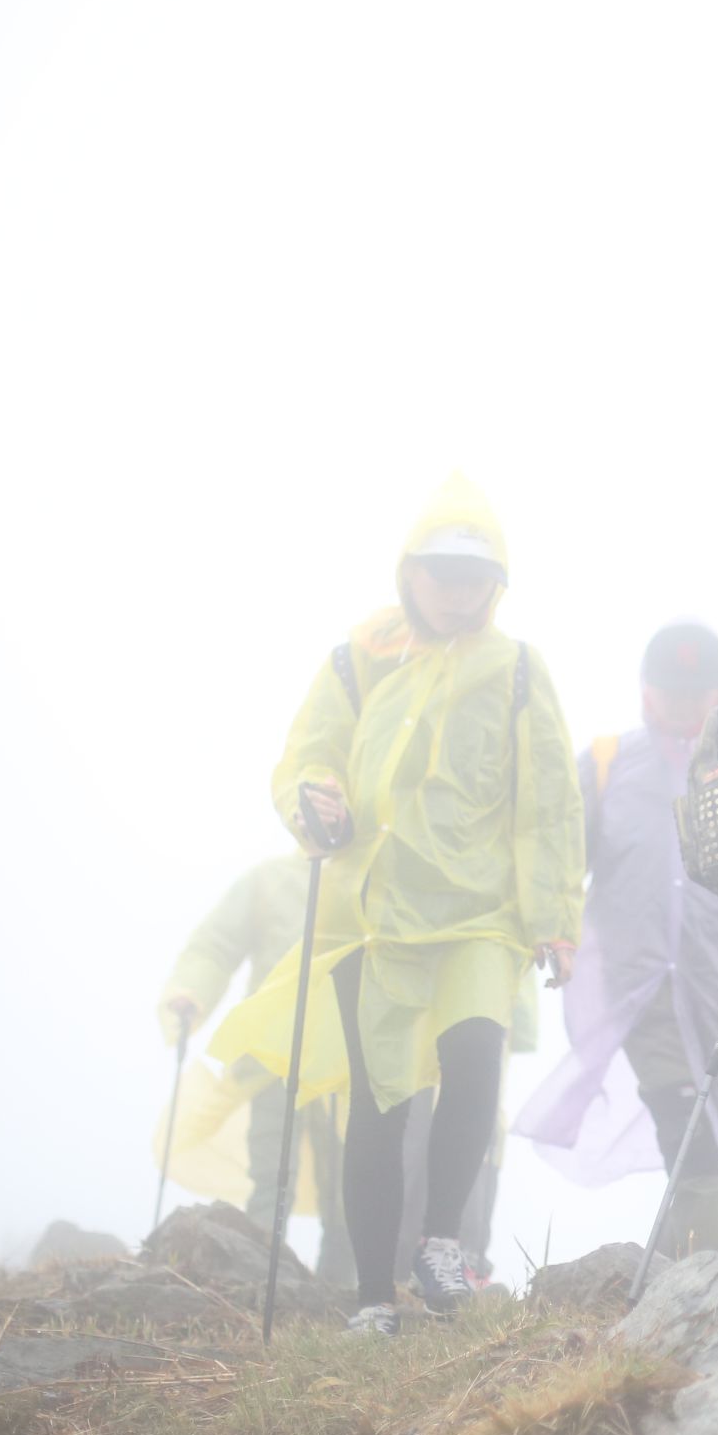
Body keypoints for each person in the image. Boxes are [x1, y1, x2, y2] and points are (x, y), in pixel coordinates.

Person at [210, 475, 583, 1336]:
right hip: (374, 914)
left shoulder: (519, 670)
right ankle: (372, 1296)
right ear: (407, 573)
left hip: (482, 914)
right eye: (442, 575)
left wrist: (554, 917)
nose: (459, 593)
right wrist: (316, 799)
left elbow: (549, 801)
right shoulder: (358, 657)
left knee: (475, 1057)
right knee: (379, 1106)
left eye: (476, 577)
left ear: (500, 581)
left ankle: (441, 1243)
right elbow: (307, 756)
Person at [514, 622, 718, 1255]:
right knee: (686, 1122)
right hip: (642, 986)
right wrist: (551, 929)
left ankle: (687, 1275)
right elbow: (559, 857)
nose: (683, 707)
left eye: (697, 694)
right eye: (671, 693)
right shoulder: (604, 767)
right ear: (646, 692)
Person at [156, 852, 351, 1287]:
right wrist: (192, 989)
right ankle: (261, 1275)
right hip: (272, 1053)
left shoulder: (367, 872)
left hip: (345, 1055)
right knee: (272, 1168)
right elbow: (217, 943)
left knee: (346, 1178)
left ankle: (340, 1288)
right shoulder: (269, 881)